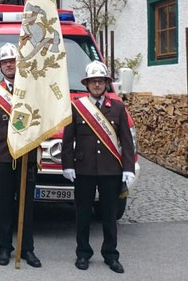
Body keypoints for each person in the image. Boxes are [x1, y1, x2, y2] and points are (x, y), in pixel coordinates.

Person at [62, 61, 135, 274]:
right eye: (93, 81)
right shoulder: (76, 107)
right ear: (86, 83)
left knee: (109, 214)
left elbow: (127, 142)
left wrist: (128, 168)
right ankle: (83, 253)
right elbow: (68, 140)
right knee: (83, 213)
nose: (96, 85)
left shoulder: (118, 107)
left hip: (110, 170)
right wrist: (67, 165)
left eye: (100, 81)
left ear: (106, 83)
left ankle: (111, 254)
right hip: (83, 169)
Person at [0, 43, 41, 267]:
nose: (9, 65)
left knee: (27, 207)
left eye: (12, 61)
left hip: (26, 157)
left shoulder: (31, 91)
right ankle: (5, 247)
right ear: (0, 66)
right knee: (5, 206)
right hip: (3, 158)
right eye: (5, 62)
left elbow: (38, 122)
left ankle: (27, 249)